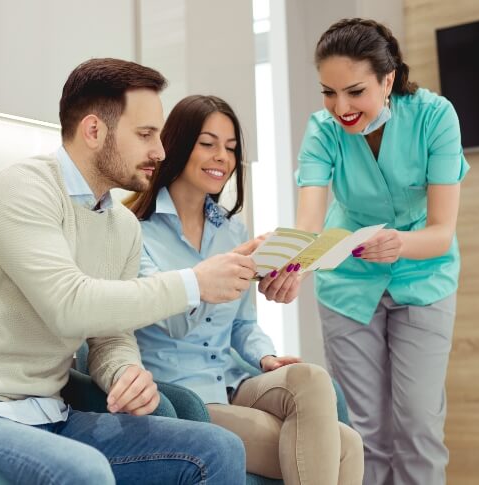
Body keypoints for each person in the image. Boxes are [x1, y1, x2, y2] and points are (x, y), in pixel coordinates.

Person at [0, 58, 255, 485]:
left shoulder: (121, 226)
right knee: (82, 471)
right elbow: (69, 306)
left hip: (50, 413)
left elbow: (110, 335)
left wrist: (123, 371)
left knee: (217, 448)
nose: (160, 151)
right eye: (145, 135)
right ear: (93, 131)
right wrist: (193, 283)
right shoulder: (22, 188)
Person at [127, 94, 364, 485]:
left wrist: (266, 357)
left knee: (312, 379)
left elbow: (243, 325)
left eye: (231, 148)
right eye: (208, 143)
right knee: (345, 447)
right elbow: (172, 322)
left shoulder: (231, 230)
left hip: (233, 381)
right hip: (183, 396)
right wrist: (214, 275)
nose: (222, 156)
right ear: (178, 145)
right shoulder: (135, 231)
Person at [294, 18, 470, 485]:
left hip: (423, 276)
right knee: (363, 432)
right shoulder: (322, 130)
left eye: (354, 92)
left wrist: (399, 244)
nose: (341, 108)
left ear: (387, 79)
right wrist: (289, 263)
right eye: (329, 93)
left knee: (418, 425)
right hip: (348, 282)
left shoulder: (435, 117)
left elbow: (440, 231)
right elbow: (308, 225)